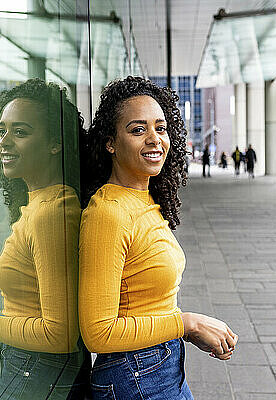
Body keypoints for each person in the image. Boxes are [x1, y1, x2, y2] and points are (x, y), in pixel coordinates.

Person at [78, 76, 238, 400]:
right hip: (133, 377)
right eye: (138, 130)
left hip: (159, 368)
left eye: (160, 128)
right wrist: (187, 324)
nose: (154, 139)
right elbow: (98, 333)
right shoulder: (108, 214)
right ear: (111, 142)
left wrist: (183, 331)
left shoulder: (144, 198)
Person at [0, 79, 90, 399]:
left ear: (55, 143)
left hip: (38, 372)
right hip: (34, 369)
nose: (4, 142)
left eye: (20, 132)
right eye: (2, 130)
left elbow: (60, 333)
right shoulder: (40, 203)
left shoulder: (52, 214)